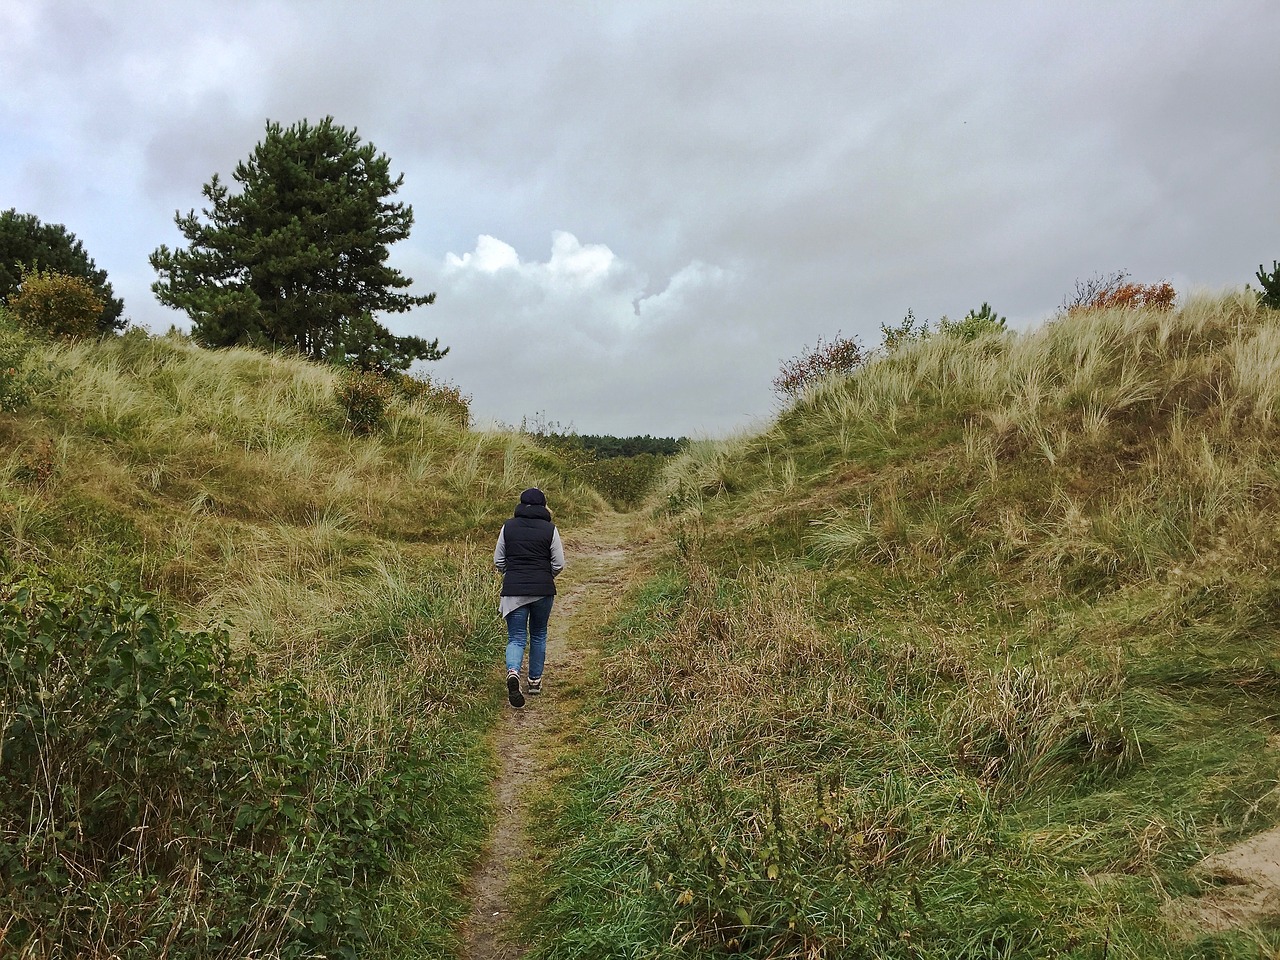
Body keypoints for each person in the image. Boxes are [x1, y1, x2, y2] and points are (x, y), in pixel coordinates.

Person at [493, 487, 564, 708]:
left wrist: (511, 574)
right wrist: (545, 576)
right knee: (539, 634)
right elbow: (559, 563)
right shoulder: (550, 529)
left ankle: (513, 672)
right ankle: (534, 681)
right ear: (544, 506)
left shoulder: (508, 527)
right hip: (543, 590)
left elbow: (498, 560)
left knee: (516, 638)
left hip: (514, 590)